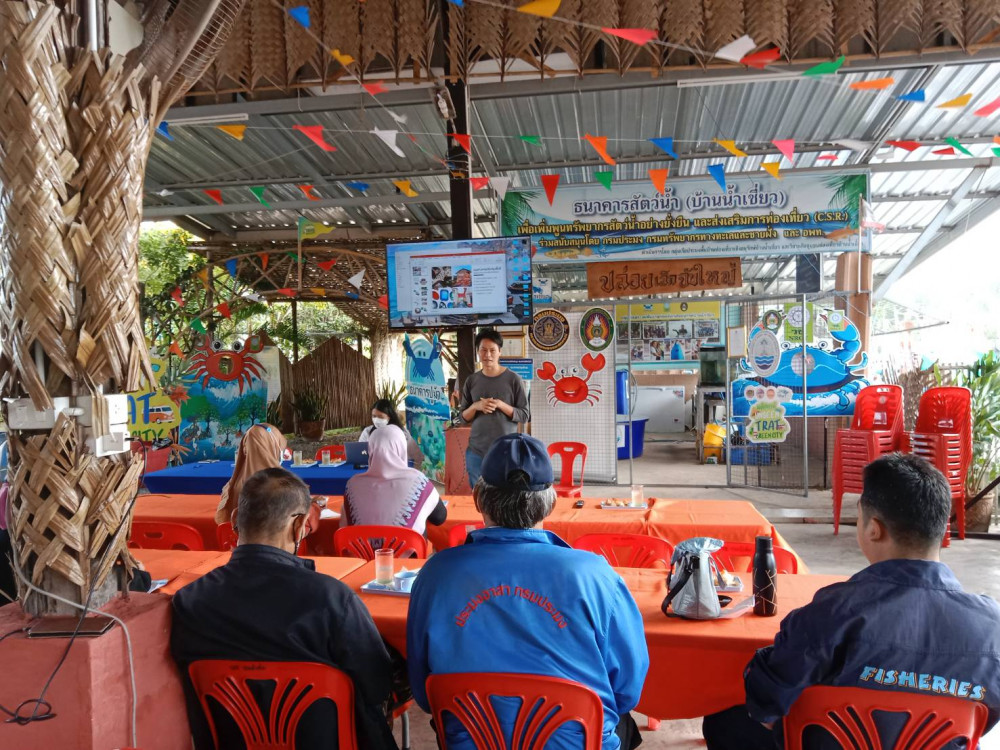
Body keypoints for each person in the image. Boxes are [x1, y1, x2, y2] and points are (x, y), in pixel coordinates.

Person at [703, 453, 1000, 749]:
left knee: (721, 722)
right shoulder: (992, 627)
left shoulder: (831, 611)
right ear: (942, 527)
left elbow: (766, 705)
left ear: (873, 529)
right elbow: (984, 720)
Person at [407, 433, 648, 750]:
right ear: (551, 503)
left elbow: (425, 694)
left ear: (478, 498)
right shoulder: (595, 575)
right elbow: (628, 690)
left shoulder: (435, 574)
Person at [172, 467, 398, 750]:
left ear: (235, 519)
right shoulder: (331, 598)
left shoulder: (189, 601)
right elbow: (377, 684)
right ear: (299, 525)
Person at [341, 425, 446, 535]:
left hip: (360, 545)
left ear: (370, 450)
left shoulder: (352, 485)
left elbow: (347, 523)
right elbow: (439, 517)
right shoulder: (418, 483)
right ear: (402, 448)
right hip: (406, 546)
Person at [459, 329, 529, 488]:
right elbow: (463, 418)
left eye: (492, 350)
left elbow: (524, 415)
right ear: (478, 352)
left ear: (500, 352)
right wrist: (476, 406)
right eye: (483, 350)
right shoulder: (471, 380)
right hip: (476, 451)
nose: (488, 355)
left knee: (505, 495)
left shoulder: (514, 379)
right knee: (479, 495)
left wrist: (501, 405)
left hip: (506, 451)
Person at [359, 398, 422, 464]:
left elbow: (414, 454)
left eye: (381, 417)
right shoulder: (367, 432)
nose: (376, 420)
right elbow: (360, 452)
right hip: (371, 466)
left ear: (389, 416)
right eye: (374, 416)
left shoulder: (402, 432)